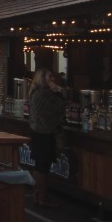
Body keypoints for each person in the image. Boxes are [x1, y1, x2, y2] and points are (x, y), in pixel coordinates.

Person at [28, 68, 66, 208]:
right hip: (44, 134)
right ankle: (42, 197)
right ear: (42, 79)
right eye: (50, 77)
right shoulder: (43, 94)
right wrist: (58, 93)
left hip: (37, 132)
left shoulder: (36, 93)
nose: (53, 80)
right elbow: (57, 109)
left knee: (39, 165)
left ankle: (37, 194)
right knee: (43, 166)